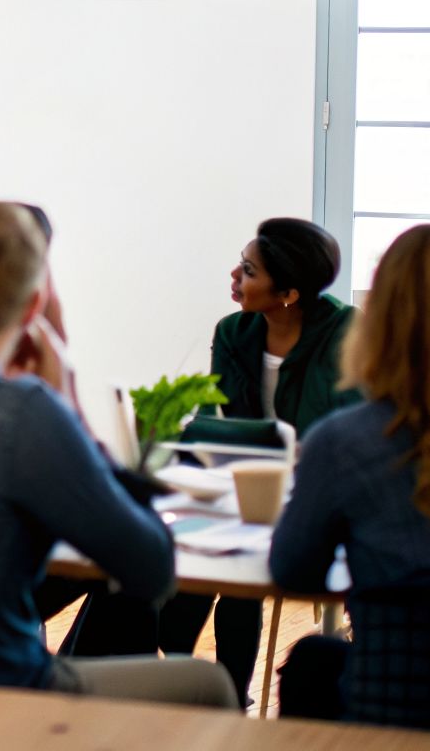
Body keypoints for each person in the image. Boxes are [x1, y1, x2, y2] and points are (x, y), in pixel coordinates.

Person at [0, 202, 235, 707]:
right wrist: (68, 402)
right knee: (207, 684)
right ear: (33, 309)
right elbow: (152, 570)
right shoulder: (23, 411)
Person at [270, 225, 430, 730]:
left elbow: (293, 570)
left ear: (380, 326)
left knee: (314, 660)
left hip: (386, 715)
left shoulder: (342, 442)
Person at [157, 217, 359, 699]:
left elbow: (342, 423)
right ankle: (206, 682)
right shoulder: (233, 331)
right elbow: (214, 417)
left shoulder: (344, 330)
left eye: (248, 271)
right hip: (246, 481)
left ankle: (225, 688)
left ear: (287, 292)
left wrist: (269, 448)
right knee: (208, 555)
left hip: (316, 488)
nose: (234, 276)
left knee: (237, 571)